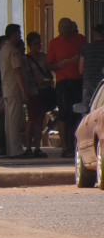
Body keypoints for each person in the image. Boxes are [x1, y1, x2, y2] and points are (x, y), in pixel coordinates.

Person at [47, 17, 86, 157]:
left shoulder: (81, 40)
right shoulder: (54, 43)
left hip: (79, 81)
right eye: (61, 28)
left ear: (72, 27)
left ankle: (77, 143)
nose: (63, 30)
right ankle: (64, 146)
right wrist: (59, 65)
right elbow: (49, 64)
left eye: (66, 27)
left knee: (78, 113)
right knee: (63, 114)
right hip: (63, 82)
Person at [0, 24, 29, 158]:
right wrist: (23, 90)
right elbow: (17, 72)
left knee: (9, 121)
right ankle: (16, 150)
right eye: (18, 33)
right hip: (14, 88)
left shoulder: (3, 49)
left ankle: (11, 149)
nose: (20, 36)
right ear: (13, 34)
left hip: (6, 88)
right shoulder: (13, 50)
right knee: (15, 121)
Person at [23, 32, 51, 158]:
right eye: (35, 44)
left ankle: (38, 147)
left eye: (39, 43)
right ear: (30, 45)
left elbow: (49, 72)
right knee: (32, 120)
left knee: (40, 120)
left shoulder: (45, 57)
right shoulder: (25, 60)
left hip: (44, 92)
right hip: (32, 92)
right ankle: (28, 146)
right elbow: (24, 76)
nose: (38, 46)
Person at [79, 23, 104, 105]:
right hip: (102, 83)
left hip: (88, 81)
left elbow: (81, 70)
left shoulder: (86, 48)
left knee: (86, 107)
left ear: (95, 34)